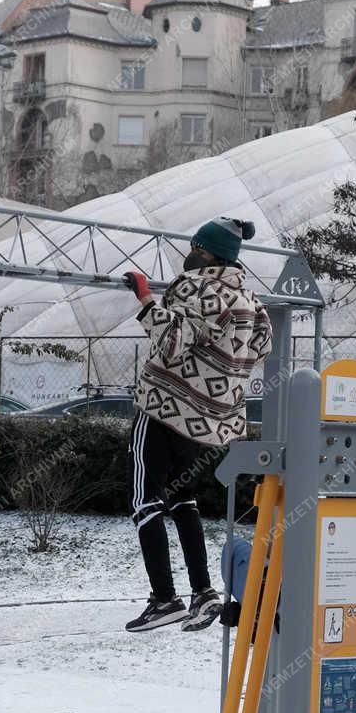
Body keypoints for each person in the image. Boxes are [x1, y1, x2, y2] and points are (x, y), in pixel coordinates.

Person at [122, 216, 272, 633]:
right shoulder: (251, 302)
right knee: (182, 500)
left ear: (205, 252)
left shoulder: (194, 286)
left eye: (194, 246)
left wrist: (146, 299)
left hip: (163, 407)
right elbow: (259, 349)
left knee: (144, 500)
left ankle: (163, 598)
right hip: (207, 423)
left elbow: (170, 341)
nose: (189, 252)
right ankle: (203, 592)